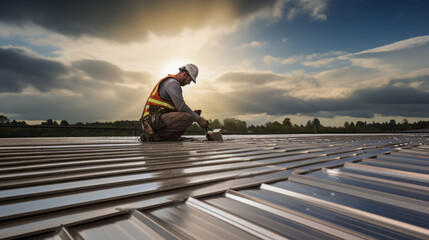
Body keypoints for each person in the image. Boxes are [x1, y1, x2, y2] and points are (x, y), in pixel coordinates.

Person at [140, 63, 209, 141]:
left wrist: (195, 115)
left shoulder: (172, 83)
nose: (189, 83)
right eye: (190, 80)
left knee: (189, 115)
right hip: (151, 123)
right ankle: (153, 136)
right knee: (188, 117)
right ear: (185, 74)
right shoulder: (172, 83)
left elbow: (176, 108)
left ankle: (164, 136)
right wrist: (198, 119)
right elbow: (181, 107)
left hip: (155, 121)